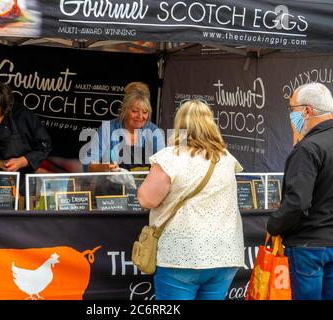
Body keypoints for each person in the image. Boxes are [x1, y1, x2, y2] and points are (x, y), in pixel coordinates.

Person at [137, 99, 244, 300]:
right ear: (210, 124)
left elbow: (146, 199)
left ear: (180, 125)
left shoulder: (171, 157)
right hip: (225, 254)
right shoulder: (226, 158)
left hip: (181, 256)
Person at [267, 82, 333, 300]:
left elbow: (297, 202)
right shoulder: (309, 145)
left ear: (307, 110)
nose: (291, 116)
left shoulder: (308, 148)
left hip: (308, 247)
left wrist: (274, 224)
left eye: (292, 108)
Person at [81, 81, 165, 172]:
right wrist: (105, 167)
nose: (140, 117)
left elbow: (164, 166)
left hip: (146, 185)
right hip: (111, 184)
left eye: (145, 112)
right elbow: (88, 164)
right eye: (134, 111)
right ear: (124, 109)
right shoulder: (108, 128)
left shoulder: (154, 132)